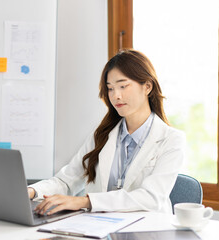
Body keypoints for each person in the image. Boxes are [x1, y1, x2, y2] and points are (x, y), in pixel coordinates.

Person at [28, 49, 185, 215]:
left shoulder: (171, 140)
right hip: (100, 229)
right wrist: (31, 192)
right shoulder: (102, 135)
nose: (116, 95)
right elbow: (66, 181)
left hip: (146, 231)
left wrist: (86, 201)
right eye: (110, 88)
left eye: (123, 86)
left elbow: (151, 197)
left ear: (147, 86)